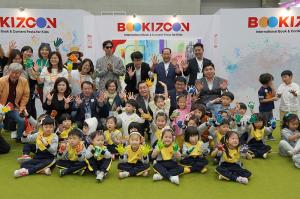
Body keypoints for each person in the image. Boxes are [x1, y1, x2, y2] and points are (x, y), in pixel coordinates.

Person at [0, 63, 30, 142]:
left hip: (14, 108)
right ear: (8, 71)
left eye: (17, 73)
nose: (14, 75)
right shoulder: (1, 80)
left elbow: (25, 95)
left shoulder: (24, 81)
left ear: (20, 73)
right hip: (1, 107)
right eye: (12, 72)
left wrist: (22, 107)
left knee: (21, 120)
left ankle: (19, 137)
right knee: (1, 124)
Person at [258, 73, 278, 140]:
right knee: (264, 123)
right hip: (264, 110)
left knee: (271, 122)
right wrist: (272, 99)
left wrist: (273, 88)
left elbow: (274, 95)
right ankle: (263, 135)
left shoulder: (270, 88)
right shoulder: (261, 90)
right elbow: (261, 100)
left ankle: (270, 135)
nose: (272, 82)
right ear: (267, 81)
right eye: (271, 80)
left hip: (270, 109)